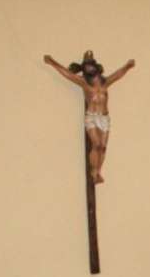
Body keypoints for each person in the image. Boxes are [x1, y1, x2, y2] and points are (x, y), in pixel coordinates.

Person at [44, 50, 135, 184]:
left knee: (103, 147)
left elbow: (118, 75)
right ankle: (94, 171)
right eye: (86, 66)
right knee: (96, 145)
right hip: (91, 117)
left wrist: (127, 66)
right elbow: (68, 74)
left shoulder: (105, 82)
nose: (88, 68)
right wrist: (52, 62)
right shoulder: (84, 82)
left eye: (90, 65)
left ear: (95, 66)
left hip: (104, 118)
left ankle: (98, 171)